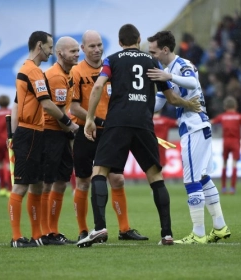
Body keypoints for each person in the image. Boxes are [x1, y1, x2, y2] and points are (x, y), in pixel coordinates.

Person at [78, 24, 201, 248]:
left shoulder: (112, 60)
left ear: (119, 41)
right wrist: (188, 104)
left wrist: (89, 119)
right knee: (155, 177)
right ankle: (166, 234)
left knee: (99, 171)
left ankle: (99, 227)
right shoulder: (151, 61)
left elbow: (97, 88)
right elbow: (171, 98)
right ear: (139, 39)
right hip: (144, 124)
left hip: (117, 123)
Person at [147, 30, 230, 244]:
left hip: (194, 127)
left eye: (153, 51)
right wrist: (138, 111)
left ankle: (199, 234)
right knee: (202, 178)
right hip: (197, 127)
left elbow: (193, 83)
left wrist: (169, 77)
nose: (151, 56)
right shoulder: (167, 70)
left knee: (191, 180)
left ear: (165, 49)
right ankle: (220, 227)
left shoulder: (181, 66)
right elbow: (159, 102)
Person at [70, 30, 148, 242]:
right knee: (84, 182)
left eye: (99, 45)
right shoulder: (77, 72)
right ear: (83, 48)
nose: (96, 49)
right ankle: (84, 230)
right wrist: (96, 121)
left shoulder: (112, 66)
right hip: (86, 132)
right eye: (92, 46)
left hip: (112, 133)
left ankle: (124, 229)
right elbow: (74, 107)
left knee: (118, 179)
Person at [8, 31, 79, 248]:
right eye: (49, 47)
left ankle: (38, 235)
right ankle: (17, 238)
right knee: (21, 186)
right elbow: (47, 104)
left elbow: (18, 103)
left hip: (36, 132)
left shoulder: (34, 71)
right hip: (29, 132)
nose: (50, 51)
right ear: (40, 46)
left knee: (37, 185)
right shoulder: (32, 71)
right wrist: (69, 124)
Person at [39, 36, 80, 245]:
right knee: (47, 183)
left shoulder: (70, 73)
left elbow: (65, 109)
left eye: (77, 50)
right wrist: (73, 130)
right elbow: (56, 112)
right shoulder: (55, 77)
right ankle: (45, 232)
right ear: (60, 53)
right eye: (72, 51)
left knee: (62, 182)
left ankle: (53, 231)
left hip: (62, 133)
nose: (77, 53)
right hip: (50, 133)